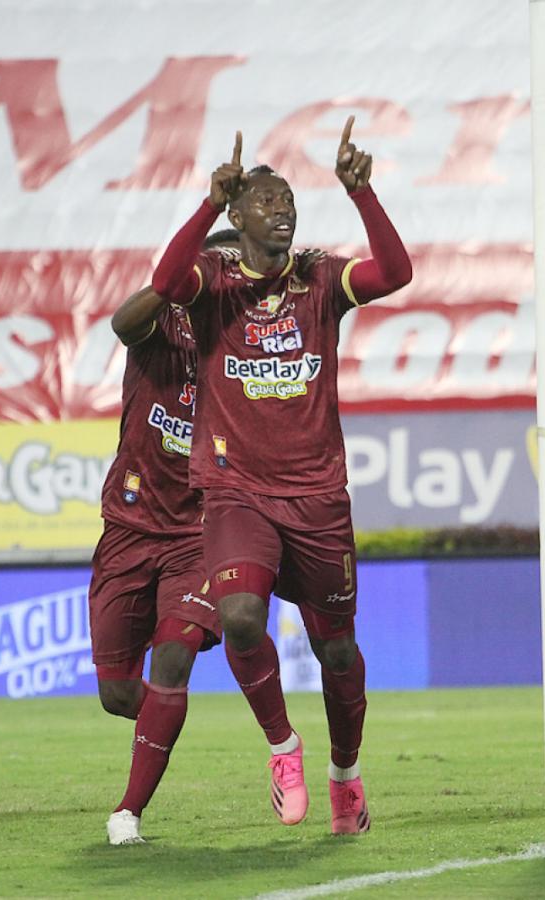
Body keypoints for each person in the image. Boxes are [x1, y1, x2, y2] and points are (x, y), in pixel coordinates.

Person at [150, 118, 412, 834]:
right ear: (238, 216)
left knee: (337, 648)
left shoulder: (320, 279)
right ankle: (282, 746)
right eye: (266, 200)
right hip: (237, 491)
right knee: (239, 619)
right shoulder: (215, 284)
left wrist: (363, 193)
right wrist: (206, 204)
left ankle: (345, 774)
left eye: (289, 198)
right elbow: (164, 281)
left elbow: (394, 274)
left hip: (318, 496)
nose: (282, 208)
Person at [91, 229, 240, 845]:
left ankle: (127, 813)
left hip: (203, 533)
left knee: (173, 657)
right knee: (120, 694)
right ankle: (160, 719)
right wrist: (174, 275)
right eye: (221, 264)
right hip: (129, 526)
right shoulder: (165, 321)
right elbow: (122, 324)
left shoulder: (252, 347)